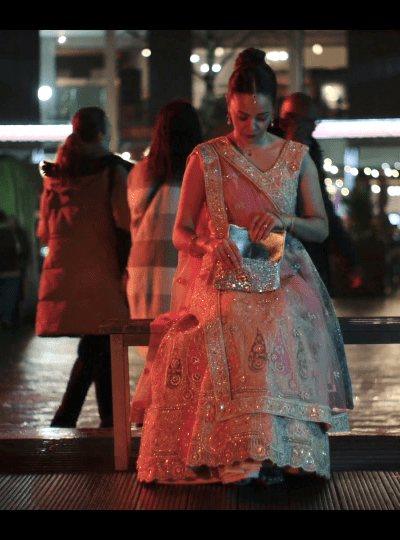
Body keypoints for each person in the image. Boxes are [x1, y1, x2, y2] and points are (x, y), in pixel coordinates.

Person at [131, 48, 354, 485]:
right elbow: (181, 231)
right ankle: (237, 451)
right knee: (230, 317)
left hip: (283, 273)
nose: (250, 128)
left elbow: (321, 228)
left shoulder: (296, 157)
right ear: (227, 110)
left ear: (274, 111)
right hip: (221, 272)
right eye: (240, 118)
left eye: (261, 117)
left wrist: (286, 221)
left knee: (280, 317)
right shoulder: (207, 157)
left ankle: (283, 447)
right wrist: (207, 245)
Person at [37, 107, 132, 429]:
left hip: (66, 274)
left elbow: (43, 232)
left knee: (100, 342)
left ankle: (109, 419)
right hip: (102, 273)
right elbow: (126, 223)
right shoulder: (112, 172)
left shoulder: (56, 175)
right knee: (98, 343)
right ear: (104, 131)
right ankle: (66, 418)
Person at [127, 99, 203, 324]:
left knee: (149, 352)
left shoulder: (138, 173)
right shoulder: (198, 171)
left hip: (142, 276)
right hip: (181, 275)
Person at [277, 92, 356, 296]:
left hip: (306, 247)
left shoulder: (309, 151)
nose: (313, 127)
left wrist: (348, 256)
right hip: (282, 250)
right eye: (309, 121)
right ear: (290, 121)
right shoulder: (279, 151)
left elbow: (325, 209)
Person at [0, 210, 30, 330]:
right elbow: (24, 250)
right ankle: (7, 320)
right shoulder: (14, 233)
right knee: (11, 296)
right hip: (13, 271)